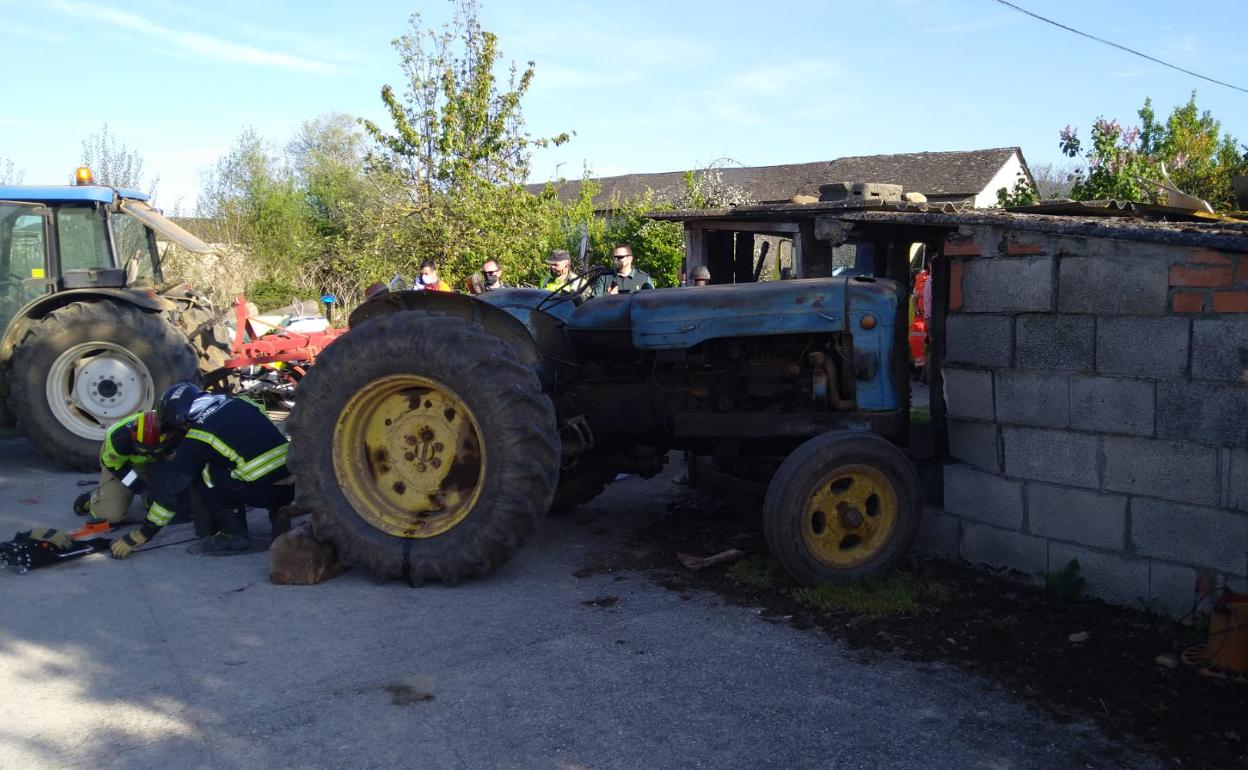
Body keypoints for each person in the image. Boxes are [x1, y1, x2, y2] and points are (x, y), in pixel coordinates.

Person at [109, 383, 295, 559]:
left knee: (206, 472)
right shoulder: (240, 402)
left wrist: (142, 534)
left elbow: (172, 492)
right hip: (294, 484)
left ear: (178, 418)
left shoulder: (198, 437)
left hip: (264, 492)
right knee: (240, 462)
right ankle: (278, 514)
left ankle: (233, 536)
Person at [75, 410, 175, 525]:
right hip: (124, 465)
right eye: (143, 449)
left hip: (159, 461)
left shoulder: (176, 431)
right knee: (110, 517)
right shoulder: (117, 439)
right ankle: (94, 499)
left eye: (153, 449)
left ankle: (150, 497)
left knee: (174, 502)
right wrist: (139, 486)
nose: (148, 453)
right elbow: (117, 467)